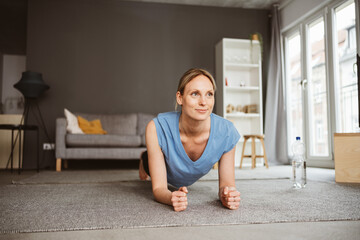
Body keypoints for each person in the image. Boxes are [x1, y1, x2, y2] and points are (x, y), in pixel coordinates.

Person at [139, 68, 241, 212]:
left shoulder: (227, 132)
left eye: (209, 94)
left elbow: (227, 184)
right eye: (195, 94)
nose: (203, 102)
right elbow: (159, 188)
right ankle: (144, 159)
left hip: (188, 175)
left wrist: (227, 195)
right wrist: (170, 197)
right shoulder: (156, 128)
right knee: (149, 163)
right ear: (180, 98)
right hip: (167, 170)